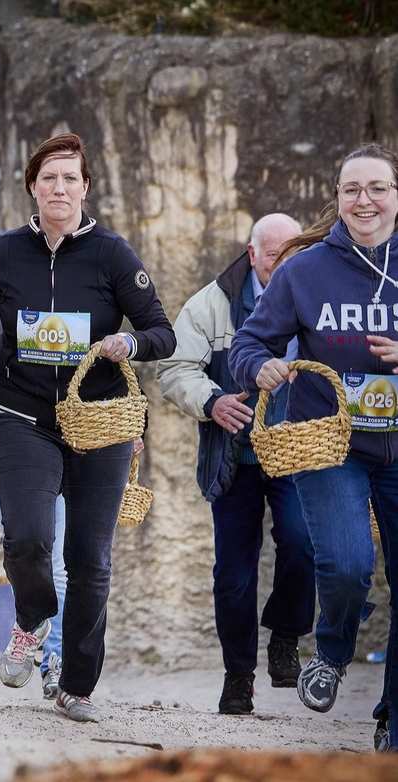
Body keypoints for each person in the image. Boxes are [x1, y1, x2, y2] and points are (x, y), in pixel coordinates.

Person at [0, 132, 175, 722]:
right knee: (28, 538)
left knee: (91, 559)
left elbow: (162, 331)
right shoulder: (5, 252)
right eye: (49, 178)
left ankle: (77, 686)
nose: (60, 188)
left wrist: (131, 341)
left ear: (86, 188)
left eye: (70, 178)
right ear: (33, 188)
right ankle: (30, 618)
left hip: (98, 425)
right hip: (22, 418)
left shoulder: (113, 256)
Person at [230, 143, 398, 752]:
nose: (365, 200)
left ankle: (390, 723)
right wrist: (265, 366)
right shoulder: (305, 270)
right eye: (352, 189)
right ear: (337, 197)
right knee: (349, 565)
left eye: (377, 187)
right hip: (330, 443)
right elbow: (248, 343)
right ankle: (329, 651)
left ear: (395, 195)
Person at [160, 213, 315, 716]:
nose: (284, 264)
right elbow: (175, 368)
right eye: (274, 256)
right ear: (251, 254)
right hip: (233, 457)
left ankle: (286, 636)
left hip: (297, 451)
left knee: (303, 544)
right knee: (233, 573)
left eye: (293, 254)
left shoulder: (313, 292)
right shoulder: (209, 304)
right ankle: (238, 678)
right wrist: (212, 401)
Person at [0, 336, 72, 700]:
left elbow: (119, 392)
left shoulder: (87, 331)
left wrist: (134, 431)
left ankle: (54, 659)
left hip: (65, 470)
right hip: (11, 471)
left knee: (55, 567)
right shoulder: (11, 341)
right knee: (22, 559)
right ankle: (28, 628)